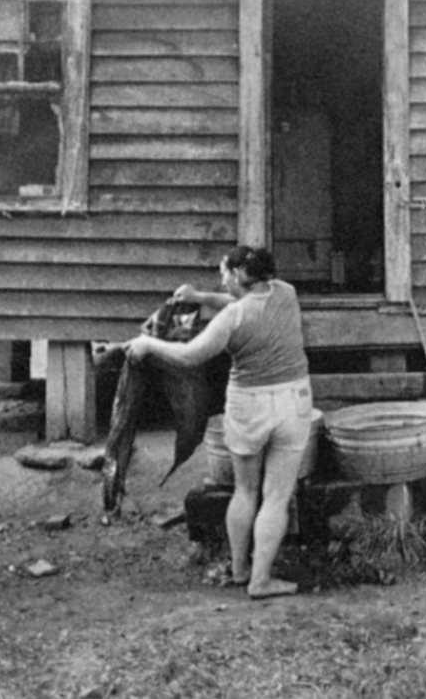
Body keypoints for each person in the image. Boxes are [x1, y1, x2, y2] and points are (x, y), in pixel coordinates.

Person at [125, 245, 312, 599]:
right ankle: (262, 580)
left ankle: (242, 571)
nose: (221, 280)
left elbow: (190, 355)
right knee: (276, 497)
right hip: (292, 402)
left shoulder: (232, 319)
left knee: (245, 491)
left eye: (224, 273)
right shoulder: (286, 293)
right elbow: (238, 300)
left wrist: (148, 344)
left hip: (248, 405)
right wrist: (199, 297)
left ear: (240, 274)